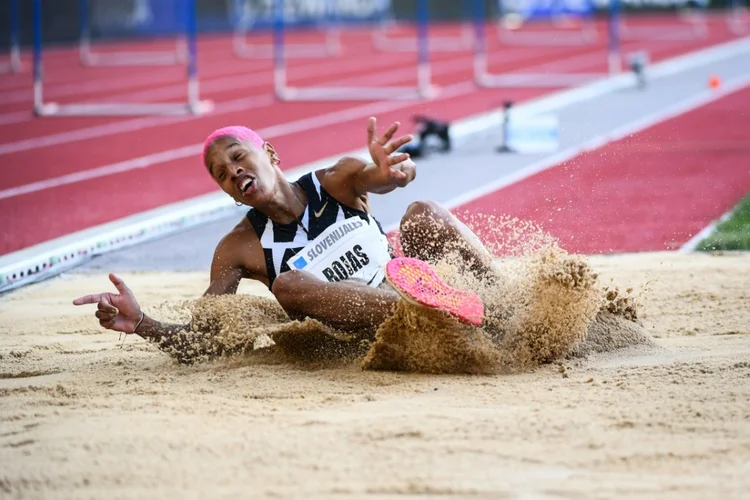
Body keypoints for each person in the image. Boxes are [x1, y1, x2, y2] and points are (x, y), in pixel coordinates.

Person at [73, 117, 498, 345]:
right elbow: (206, 337)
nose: (233, 171)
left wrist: (398, 172)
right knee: (289, 284)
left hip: (409, 283)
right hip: (370, 330)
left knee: (422, 212)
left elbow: (387, 177)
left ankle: (504, 306)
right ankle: (425, 317)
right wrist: (142, 322)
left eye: (238, 157)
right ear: (229, 193)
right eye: (222, 174)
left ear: (270, 154)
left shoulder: (336, 180)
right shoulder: (238, 249)